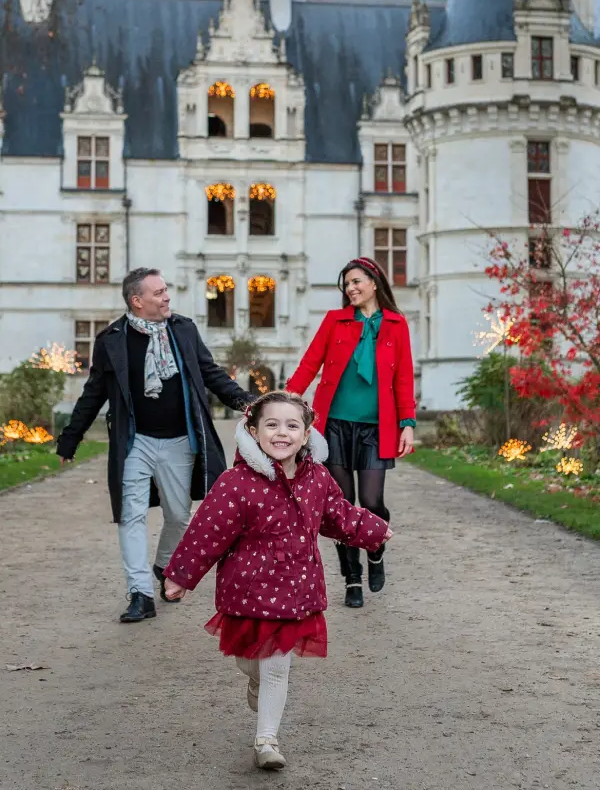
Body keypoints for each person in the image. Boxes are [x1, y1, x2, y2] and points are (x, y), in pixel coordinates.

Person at [162, 390, 391, 771]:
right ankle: (252, 678)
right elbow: (208, 531)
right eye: (271, 424)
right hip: (247, 589)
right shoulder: (236, 482)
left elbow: (338, 515)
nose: (281, 433)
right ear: (252, 430)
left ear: (306, 434)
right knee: (249, 659)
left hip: (296, 589)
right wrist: (182, 576)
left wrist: (374, 530)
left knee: (277, 663)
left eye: (291, 425)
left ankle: (266, 739)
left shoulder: (316, 478)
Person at [56, 267, 252, 623]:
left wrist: (246, 402)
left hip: (179, 440)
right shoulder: (111, 340)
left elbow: (211, 373)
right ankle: (140, 593)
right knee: (130, 515)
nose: (166, 297)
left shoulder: (183, 330)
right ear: (137, 301)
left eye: (165, 290)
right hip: (135, 442)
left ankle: (164, 565)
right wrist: (70, 438)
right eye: (159, 292)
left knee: (178, 515)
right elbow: (93, 394)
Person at [286, 256, 415, 608]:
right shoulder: (335, 321)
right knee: (342, 507)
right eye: (346, 284)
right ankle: (352, 579)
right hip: (335, 427)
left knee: (372, 503)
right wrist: (283, 400)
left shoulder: (396, 324)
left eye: (357, 281)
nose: (351, 288)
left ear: (375, 282)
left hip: (377, 428)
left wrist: (408, 424)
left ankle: (375, 549)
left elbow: (403, 377)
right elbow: (310, 363)